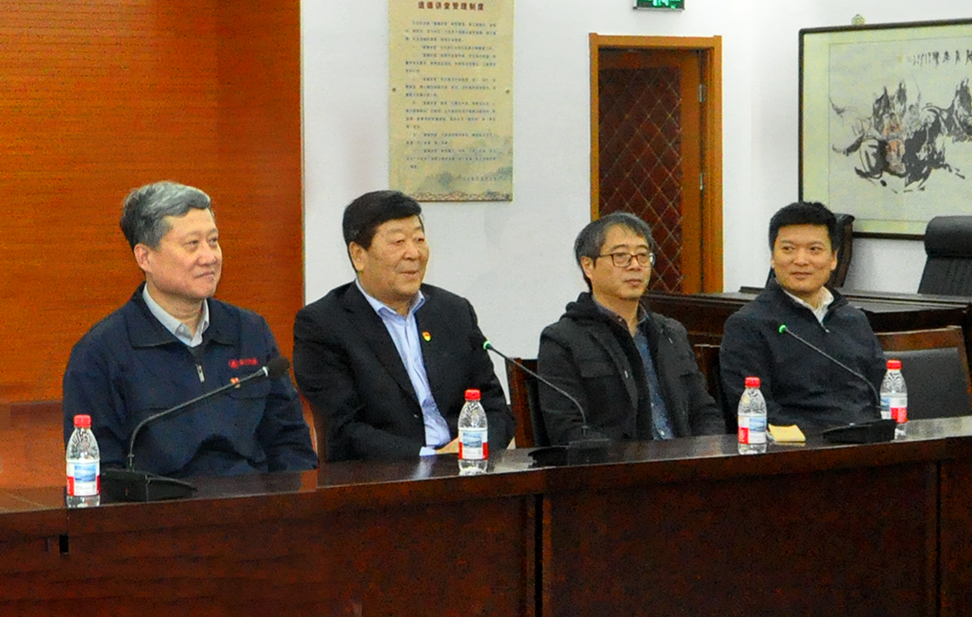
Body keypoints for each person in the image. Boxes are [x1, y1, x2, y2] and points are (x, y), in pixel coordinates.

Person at [62, 181, 317, 477]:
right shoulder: (101, 353)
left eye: (213, 241)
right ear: (145, 257)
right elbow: (100, 471)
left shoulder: (248, 331)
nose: (210, 257)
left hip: (254, 500)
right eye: (192, 244)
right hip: (161, 504)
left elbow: (291, 443)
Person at [292, 190, 514, 461]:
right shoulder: (323, 324)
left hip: (466, 466)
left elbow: (494, 407)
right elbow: (343, 430)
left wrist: (473, 448)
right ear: (358, 255)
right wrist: (431, 459)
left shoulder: (453, 312)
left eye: (419, 239)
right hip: (387, 476)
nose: (414, 253)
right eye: (398, 242)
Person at [537, 212, 725, 445]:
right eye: (621, 256)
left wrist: (705, 453)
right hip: (618, 464)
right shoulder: (563, 340)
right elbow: (568, 431)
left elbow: (705, 412)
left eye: (643, 256)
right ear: (588, 266)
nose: (635, 265)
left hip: (684, 460)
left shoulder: (670, 333)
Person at [719, 201, 884, 433]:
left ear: (833, 258)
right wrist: (825, 437)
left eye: (814, 250)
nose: (801, 260)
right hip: (800, 447)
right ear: (772, 257)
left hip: (869, 442)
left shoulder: (853, 319)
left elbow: (883, 391)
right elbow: (759, 411)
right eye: (788, 249)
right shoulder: (748, 325)